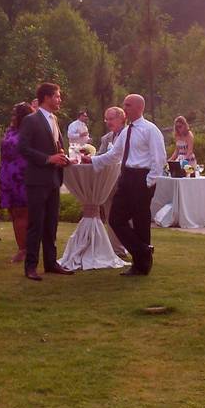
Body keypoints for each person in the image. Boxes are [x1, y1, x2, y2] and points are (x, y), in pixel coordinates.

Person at [85, 94, 167, 276]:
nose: (125, 108)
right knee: (115, 218)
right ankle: (143, 250)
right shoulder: (127, 131)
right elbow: (114, 154)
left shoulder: (150, 130)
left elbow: (159, 158)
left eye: (128, 105)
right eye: (124, 105)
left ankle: (141, 266)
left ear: (139, 107)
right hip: (127, 177)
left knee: (140, 223)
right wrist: (92, 160)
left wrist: (148, 182)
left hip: (141, 178)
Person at [19, 83, 74, 281]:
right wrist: (48, 159)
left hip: (53, 179)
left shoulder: (54, 119)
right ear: (46, 97)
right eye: (57, 97)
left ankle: (51, 263)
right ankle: (31, 266)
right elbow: (23, 148)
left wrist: (63, 157)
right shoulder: (31, 120)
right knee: (36, 225)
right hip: (37, 180)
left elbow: (56, 146)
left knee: (51, 224)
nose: (60, 100)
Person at [0, 102, 33, 263]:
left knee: (22, 212)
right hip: (7, 176)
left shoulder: (30, 131)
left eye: (15, 113)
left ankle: (24, 249)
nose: (13, 116)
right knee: (13, 213)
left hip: (22, 176)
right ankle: (23, 247)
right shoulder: (10, 130)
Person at [98, 106, 129, 258]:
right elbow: (99, 156)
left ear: (122, 118)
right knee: (110, 216)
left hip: (126, 181)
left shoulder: (130, 134)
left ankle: (131, 246)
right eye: (106, 119)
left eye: (111, 118)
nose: (108, 122)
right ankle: (116, 250)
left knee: (125, 217)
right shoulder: (106, 139)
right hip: (108, 183)